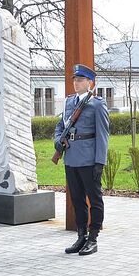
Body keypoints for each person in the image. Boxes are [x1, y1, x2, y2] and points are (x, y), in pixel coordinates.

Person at [54, 64, 110, 256]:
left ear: (90, 83)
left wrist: (99, 162)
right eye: (74, 80)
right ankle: (81, 235)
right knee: (77, 200)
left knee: (94, 199)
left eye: (80, 80)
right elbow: (59, 127)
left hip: (88, 158)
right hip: (71, 158)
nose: (76, 83)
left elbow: (103, 135)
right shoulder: (68, 103)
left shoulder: (97, 104)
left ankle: (93, 238)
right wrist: (57, 141)